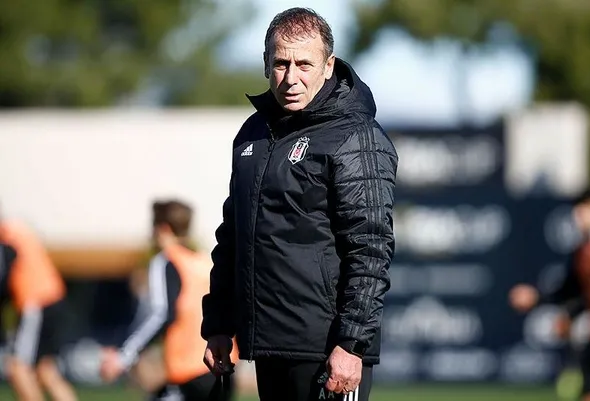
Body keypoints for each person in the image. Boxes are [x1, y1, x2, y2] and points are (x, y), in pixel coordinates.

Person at [201, 7, 398, 401]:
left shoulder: (354, 136)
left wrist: (351, 344)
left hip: (328, 351)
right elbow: (232, 237)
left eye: (304, 64)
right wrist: (219, 325)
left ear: (328, 66)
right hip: (268, 346)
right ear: (265, 64)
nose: (291, 77)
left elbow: (370, 250)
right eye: (281, 63)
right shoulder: (253, 133)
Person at [100, 199, 238, 401]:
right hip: (222, 365)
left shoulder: (166, 261)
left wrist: (124, 356)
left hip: (189, 370)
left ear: (162, 229)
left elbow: (162, 314)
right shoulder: (203, 260)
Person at [510, 189, 590, 401]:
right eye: (578, 209)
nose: (579, 215)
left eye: (586, 208)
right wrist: (538, 298)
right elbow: (574, 289)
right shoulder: (584, 249)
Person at [0, 217, 78, 401]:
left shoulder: (6, 237)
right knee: (46, 371)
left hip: (35, 303)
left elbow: (4, 277)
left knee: (17, 368)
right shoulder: (18, 229)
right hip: (53, 298)